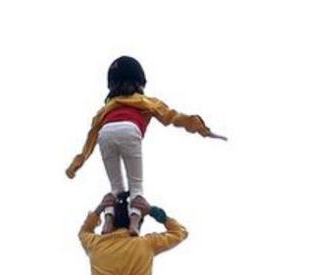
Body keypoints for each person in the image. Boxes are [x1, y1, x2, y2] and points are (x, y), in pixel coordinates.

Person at [67, 55, 226, 232]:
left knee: (116, 187)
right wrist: (203, 130)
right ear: (140, 82)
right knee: (136, 186)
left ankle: (108, 221)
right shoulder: (146, 102)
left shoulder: (105, 110)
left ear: (111, 84)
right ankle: (134, 223)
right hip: (130, 131)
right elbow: (174, 116)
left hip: (105, 134)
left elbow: (90, 139)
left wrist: (76, 165)